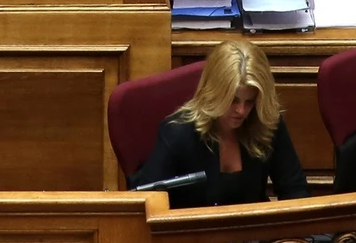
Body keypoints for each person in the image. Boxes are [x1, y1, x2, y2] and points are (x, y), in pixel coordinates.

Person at [130, 40, 310, 208]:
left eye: (250, 101)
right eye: (233, 100)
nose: (241, 110)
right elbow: (147, 204)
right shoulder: (178, 133)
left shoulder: (266, 123)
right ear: (214, 94)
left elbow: (295, 191)